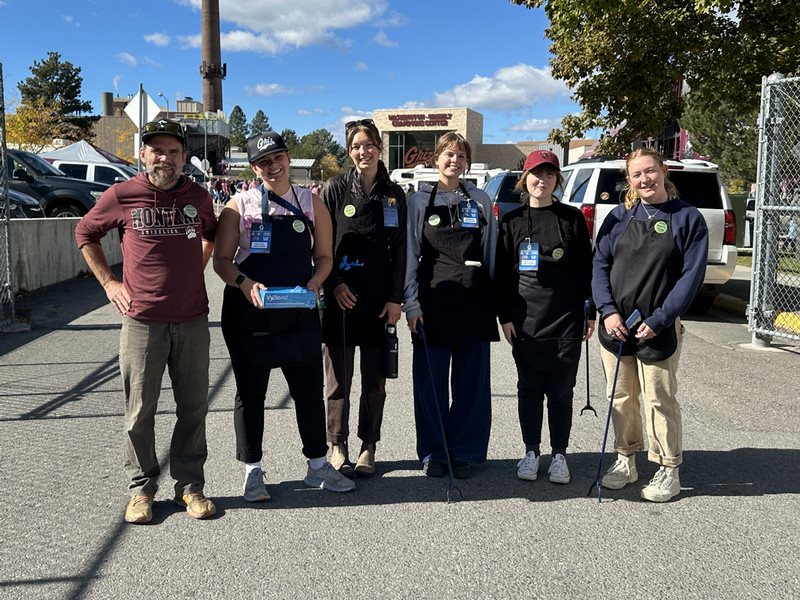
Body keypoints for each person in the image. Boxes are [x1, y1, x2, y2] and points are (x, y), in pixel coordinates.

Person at [75, 119, 217, 523]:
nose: (165, 158)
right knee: (140, 411)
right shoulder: (123, 194)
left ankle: (190, 486)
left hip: (192, 320)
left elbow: (210, 233)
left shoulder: (198, 197)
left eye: (173, 151)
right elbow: (85, 232)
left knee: (194, 408)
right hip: (142, 322)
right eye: (156, 150)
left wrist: (198, 265)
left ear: (184, 157)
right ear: (143, 154)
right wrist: (109, 283)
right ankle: (141, 489)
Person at [212, 131, 354, 501]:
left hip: (298, 310)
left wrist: (316, 281)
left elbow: (324, 257)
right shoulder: (238, 204)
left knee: (308, 391)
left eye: (278, 158)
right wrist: (244, 283)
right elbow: (222, 261)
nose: (272, 166)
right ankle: (252, 471)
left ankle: (317, 466)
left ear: (289, 158)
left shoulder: (311, 202)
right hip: (249, 312)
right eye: (263, 162)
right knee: (251, 393)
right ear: (254, 168)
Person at [592, 147, 708, 502]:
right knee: (623, 399)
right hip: (617, 329)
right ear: (629, 180)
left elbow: (690, 277)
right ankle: (626, 460)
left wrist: (660, 320)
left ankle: (667, 468)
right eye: (636, 174)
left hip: (657, 329)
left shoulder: (687, 218)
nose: (645, 179)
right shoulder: (618, 217)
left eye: (650, 171)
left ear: (663, 172)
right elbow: (599, 266)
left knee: (660, 399)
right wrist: (608, 311)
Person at [495, 150, 595, 484]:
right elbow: (502, 275)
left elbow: (586, 270)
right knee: (530, 388)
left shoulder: (571, 218)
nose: (543, 180)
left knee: (562, 391)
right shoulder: (511, 221)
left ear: (557, 180)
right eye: (536, 174)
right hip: (526, 319)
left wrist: (589, 311)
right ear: (525, 180)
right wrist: (505, 316)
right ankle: (530, 452)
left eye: (550, 174)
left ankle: (560, 455)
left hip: (566, 319)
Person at [404, 132, 499, 479]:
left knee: (471, 383)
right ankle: (433, 452)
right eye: (448, 154)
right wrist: (411, 306)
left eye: (460, 156)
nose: (454, 161)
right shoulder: (419, 202)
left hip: (473, 303)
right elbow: (410, 257)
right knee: (430, 384)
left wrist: (494, 301)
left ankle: (465, 451)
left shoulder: (480, 200)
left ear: (467, 163)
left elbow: (490, 253)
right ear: (436, 159)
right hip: (432, 305)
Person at [321, 119, 407, 476]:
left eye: (368, 144)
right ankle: (337, 445)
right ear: (349, 151)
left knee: (375, 380)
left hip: (377, 302)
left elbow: (401, 250)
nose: (363, 151)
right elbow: (320, 245)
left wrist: (395, 298)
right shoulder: (334, 189)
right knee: (338, 380)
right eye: (356, 146)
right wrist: (334, 284)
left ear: (379, 147)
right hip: (340, 298)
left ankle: (368, 445)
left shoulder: (394, 194)